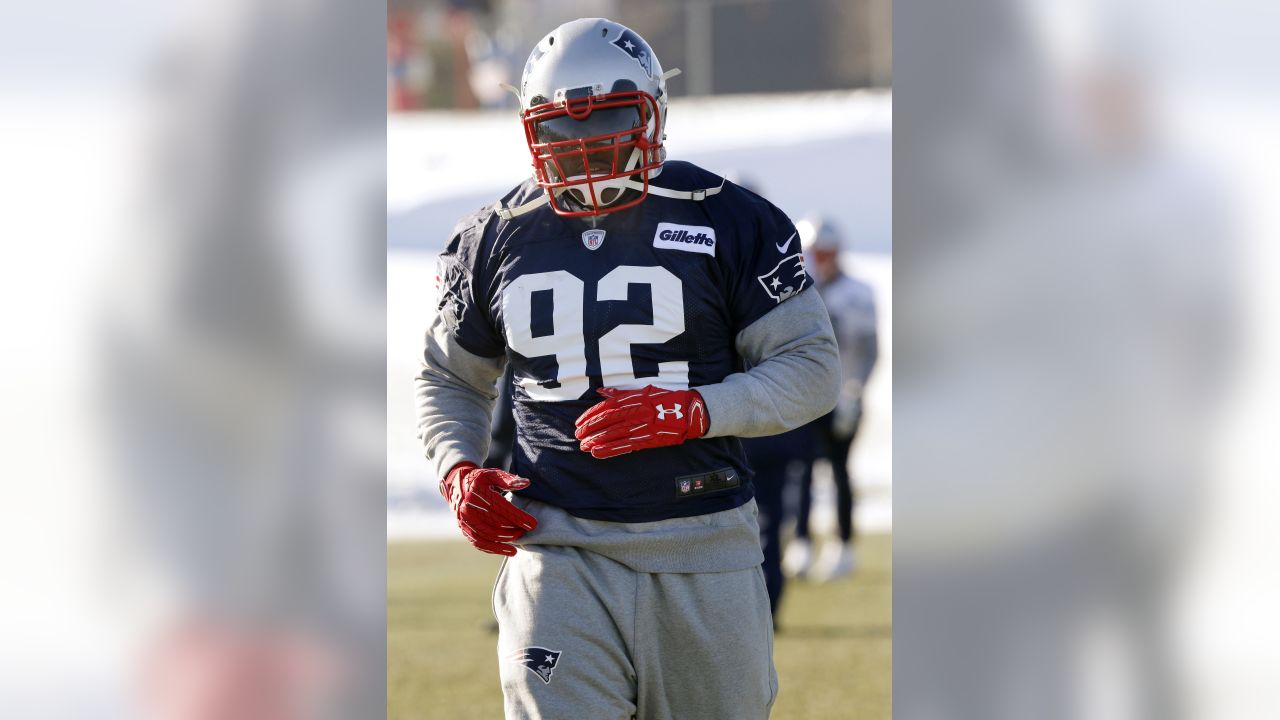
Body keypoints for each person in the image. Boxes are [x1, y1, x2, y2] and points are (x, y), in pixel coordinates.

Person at [415, 18, 840, 720]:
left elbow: (811, 368)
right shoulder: (492, 237)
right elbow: (450, 377)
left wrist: (695, 408)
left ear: (653, 112)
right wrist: (457, 469)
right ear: (530, 131)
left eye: (612, 117)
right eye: (561, 129)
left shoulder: (730, 219)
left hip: (703, 544)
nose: (587, 146)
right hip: (557, 544)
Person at [782, 216, 879, 581]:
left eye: (827, 252)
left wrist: (856, 390)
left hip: (843, 395)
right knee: (801, 469)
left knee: (840, 469)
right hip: (807, 395)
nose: (822, 259)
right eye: (816, 252)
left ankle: (844, 544)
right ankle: (802, 543)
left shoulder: (859, 291)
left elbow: (870, 349)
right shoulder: (796, 287)